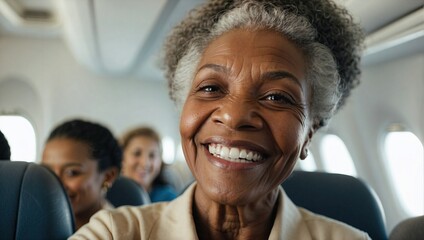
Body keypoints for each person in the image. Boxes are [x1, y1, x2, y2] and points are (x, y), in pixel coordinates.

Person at [71, 0, 368, 239]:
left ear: (309, 133)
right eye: (211, 88)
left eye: (277, 96)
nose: (234, 116)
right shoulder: (115, 232)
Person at [41, 119, 121, 230]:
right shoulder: (34, 225)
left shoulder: (118, 232)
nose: (54, 184)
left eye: (72, 172)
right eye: (47, 171)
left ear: (108, 176)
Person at [120, 126, 177, 202]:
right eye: (137, 153)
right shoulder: (106, 196)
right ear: (122, 159)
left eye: (152, 155)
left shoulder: (169, 200)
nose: (145, 163)